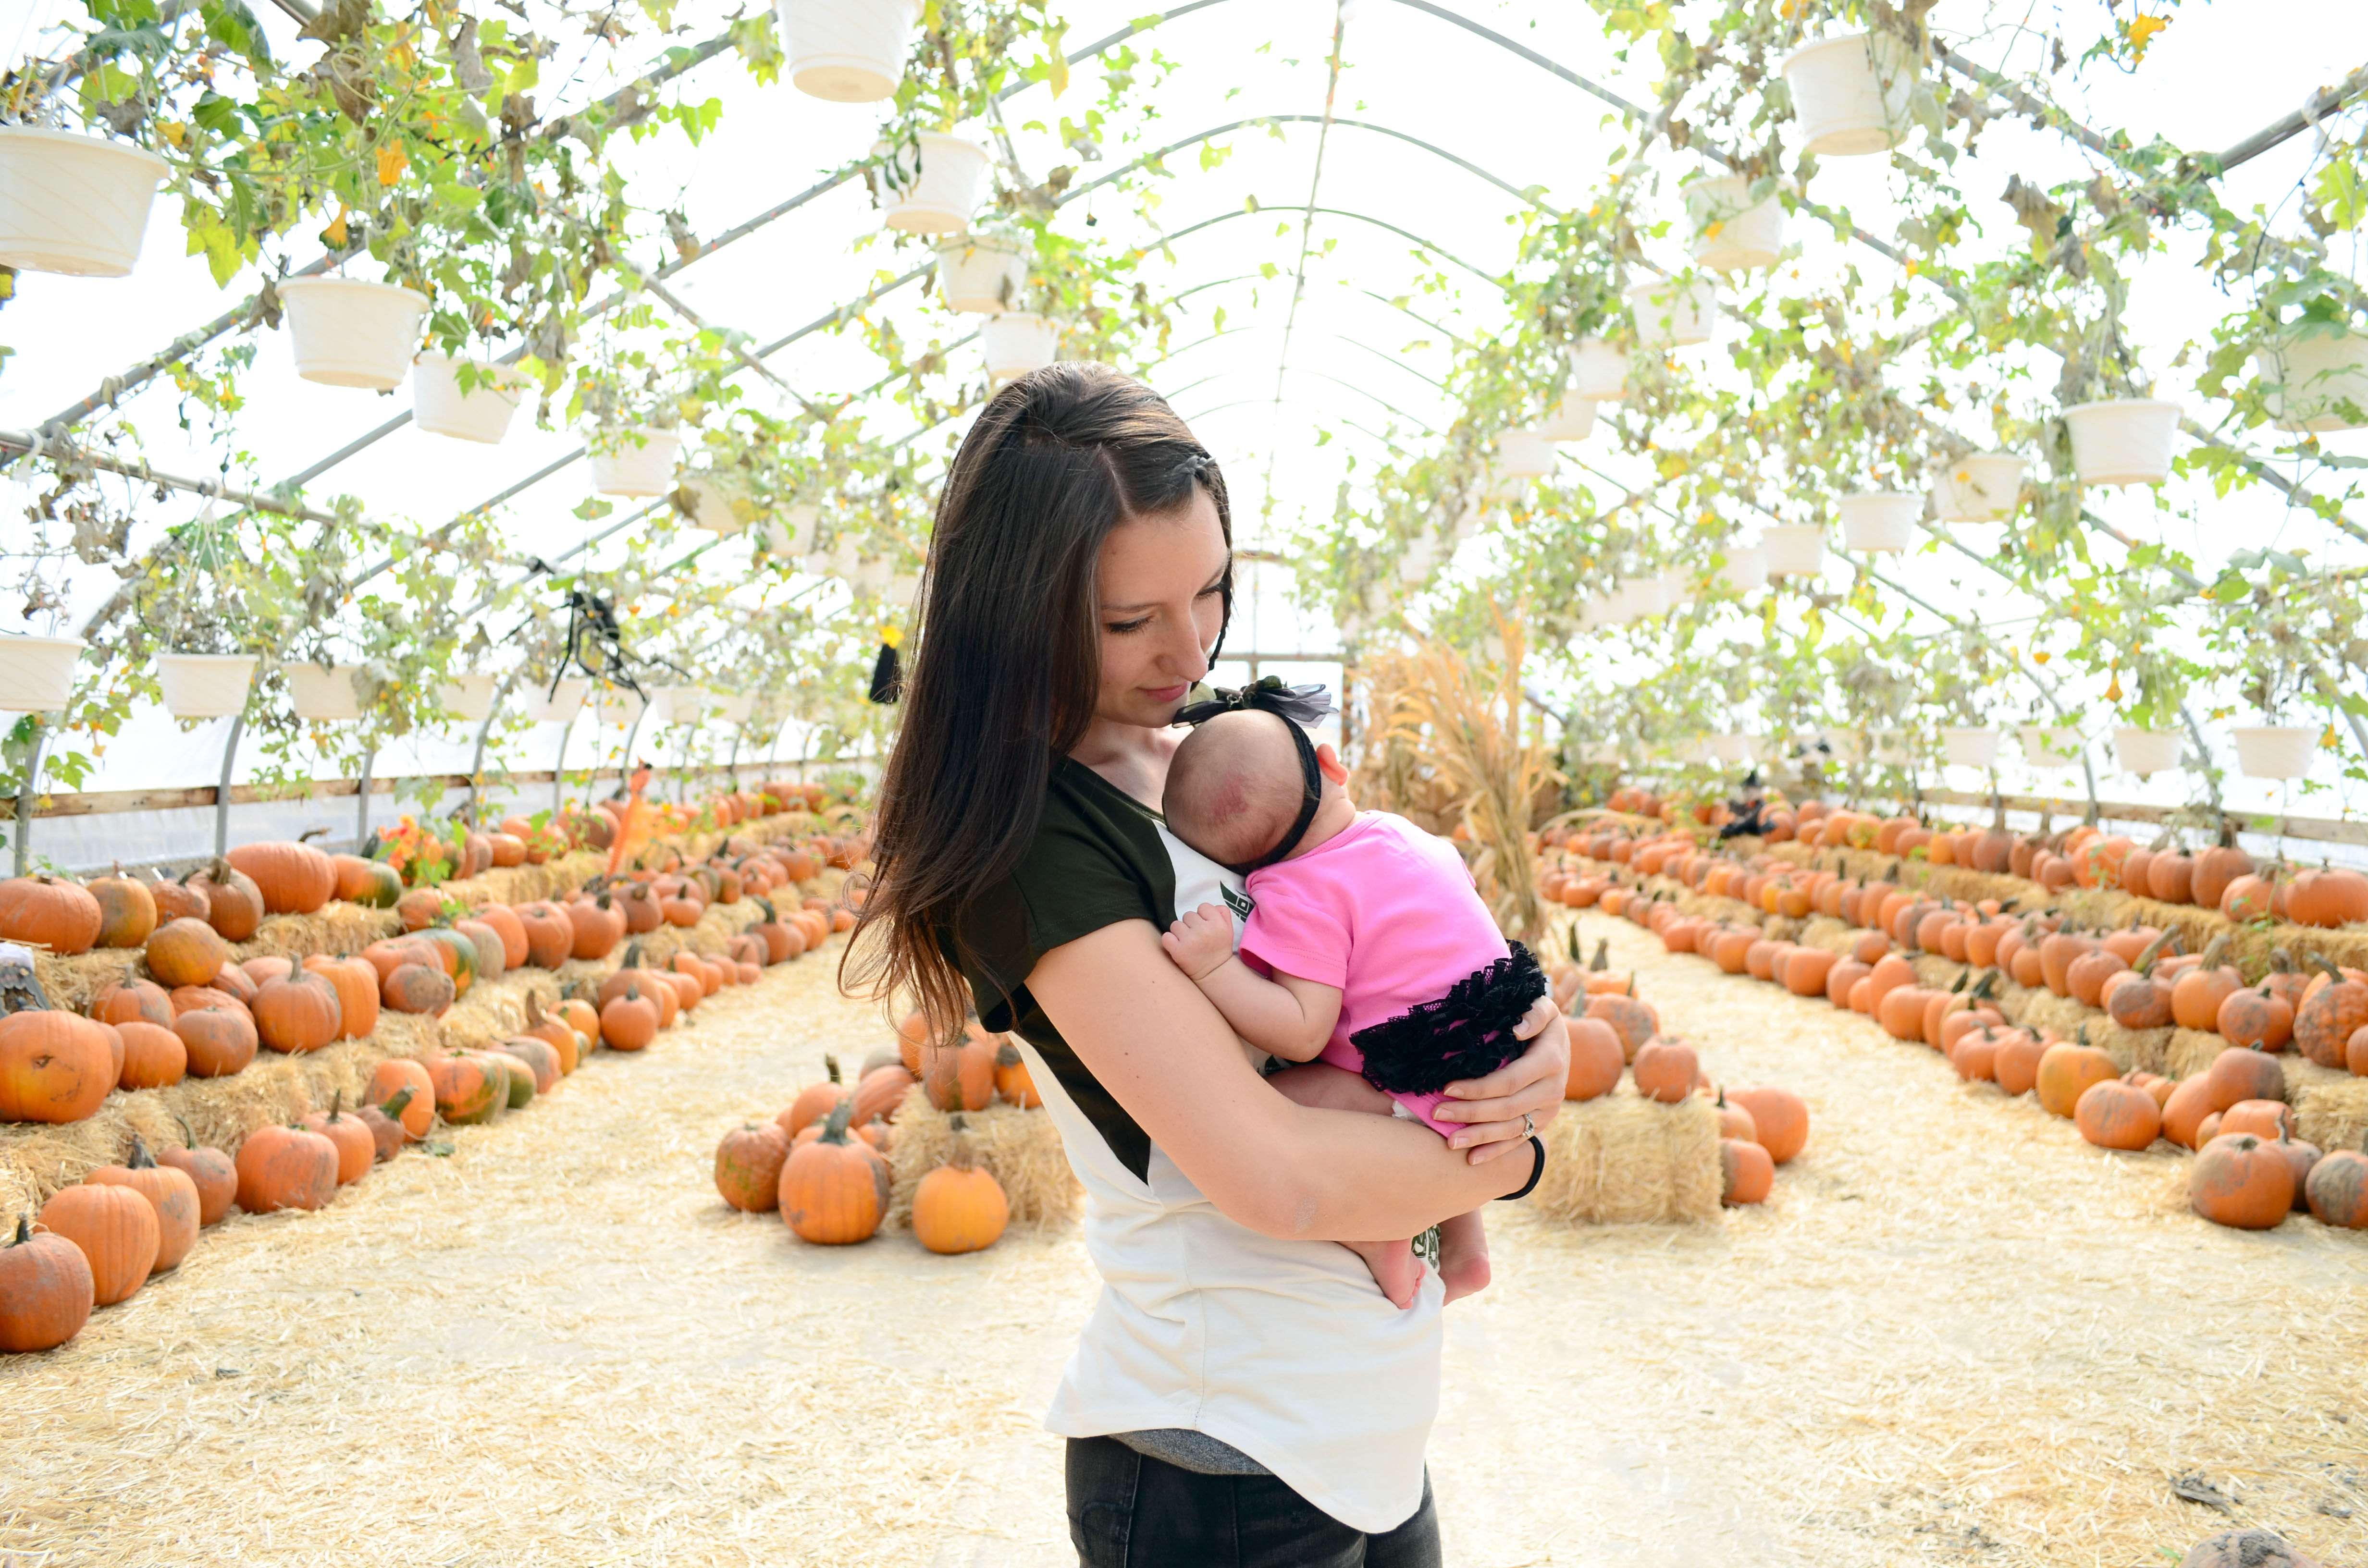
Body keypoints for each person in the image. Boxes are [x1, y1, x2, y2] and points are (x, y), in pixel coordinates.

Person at [847, 362, 1570, 1567]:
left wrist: (1515, 1042)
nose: (1190, 649)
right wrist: (1513, 1147)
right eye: (1131, 621)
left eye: (1213, 591)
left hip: (1364, 1434)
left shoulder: (1208, 766)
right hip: (1228, 1465)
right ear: (1017, 616)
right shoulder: (1036, 844)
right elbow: (1277, 1175)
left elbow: (1381, 943)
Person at [1156, 693, 1545, 1311]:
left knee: (1271, 1107)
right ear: (1332, 764)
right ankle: (1467, 1254)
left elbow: (1304, 1030)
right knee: (1425, 1051)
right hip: (1503, 1053)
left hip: (1433, 1083)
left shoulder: (1298, 890)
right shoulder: (1404, 835)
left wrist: (1214, 969)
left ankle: (1377, 1236)